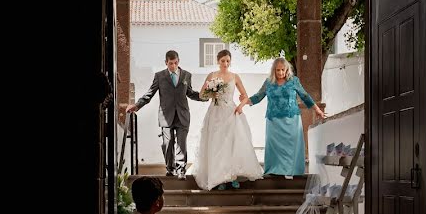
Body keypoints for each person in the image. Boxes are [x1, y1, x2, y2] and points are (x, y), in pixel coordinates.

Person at [237, 57, 326, 178]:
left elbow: (305, 96)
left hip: (292, 120)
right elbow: (258, 97)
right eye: (278, 70)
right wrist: (245, 101)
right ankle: (275, 170)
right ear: (274, 70)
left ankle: (293, 170)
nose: (280, 73)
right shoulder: (269, 82)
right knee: (274, 146)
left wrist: (317, 110)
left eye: (282, 70)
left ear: (287, 69)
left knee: (292, 147)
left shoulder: (294, 81)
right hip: (273, 120)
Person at [190, 49, 264, 191]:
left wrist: (241, 107)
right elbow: (201, 95)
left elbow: (245, 95)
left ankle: (233, 176)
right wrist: (212, 93)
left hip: (231, 113)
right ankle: (219, 178)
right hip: (215, 114)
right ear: (218, 61)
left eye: (228, 61)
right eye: (223, 61)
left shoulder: (234, 76)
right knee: (217, 145)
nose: (225, 63)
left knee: (231, 145)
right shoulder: (212, 75)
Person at [126, 50, 205, 179]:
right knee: (167, 145)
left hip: (182, 114)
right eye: (170, 63)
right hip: (166, 115)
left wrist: (204, 96)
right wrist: (137, 105)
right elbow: (149, 93)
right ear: (166, 62)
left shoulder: (186, 75)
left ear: (178, 61)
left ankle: (181, 171)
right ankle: (170, 169)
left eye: (175, 63)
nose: (173, 66)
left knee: (181, 143)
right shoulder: (160, 76)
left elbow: (190, 93)